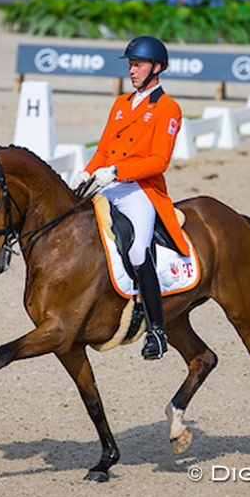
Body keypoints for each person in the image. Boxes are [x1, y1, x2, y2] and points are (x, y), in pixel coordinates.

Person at [70, 36, 189, 360]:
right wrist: (87, 172)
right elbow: (104, 150)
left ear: (156, 68)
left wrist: (117, 172)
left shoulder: (168, 108)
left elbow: (158, 161)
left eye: (137, 65)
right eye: (131, 65)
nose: (132, 71)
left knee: (138, 249)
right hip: (108, 182)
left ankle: (157, 331)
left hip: (140, 189)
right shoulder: (121, 104)